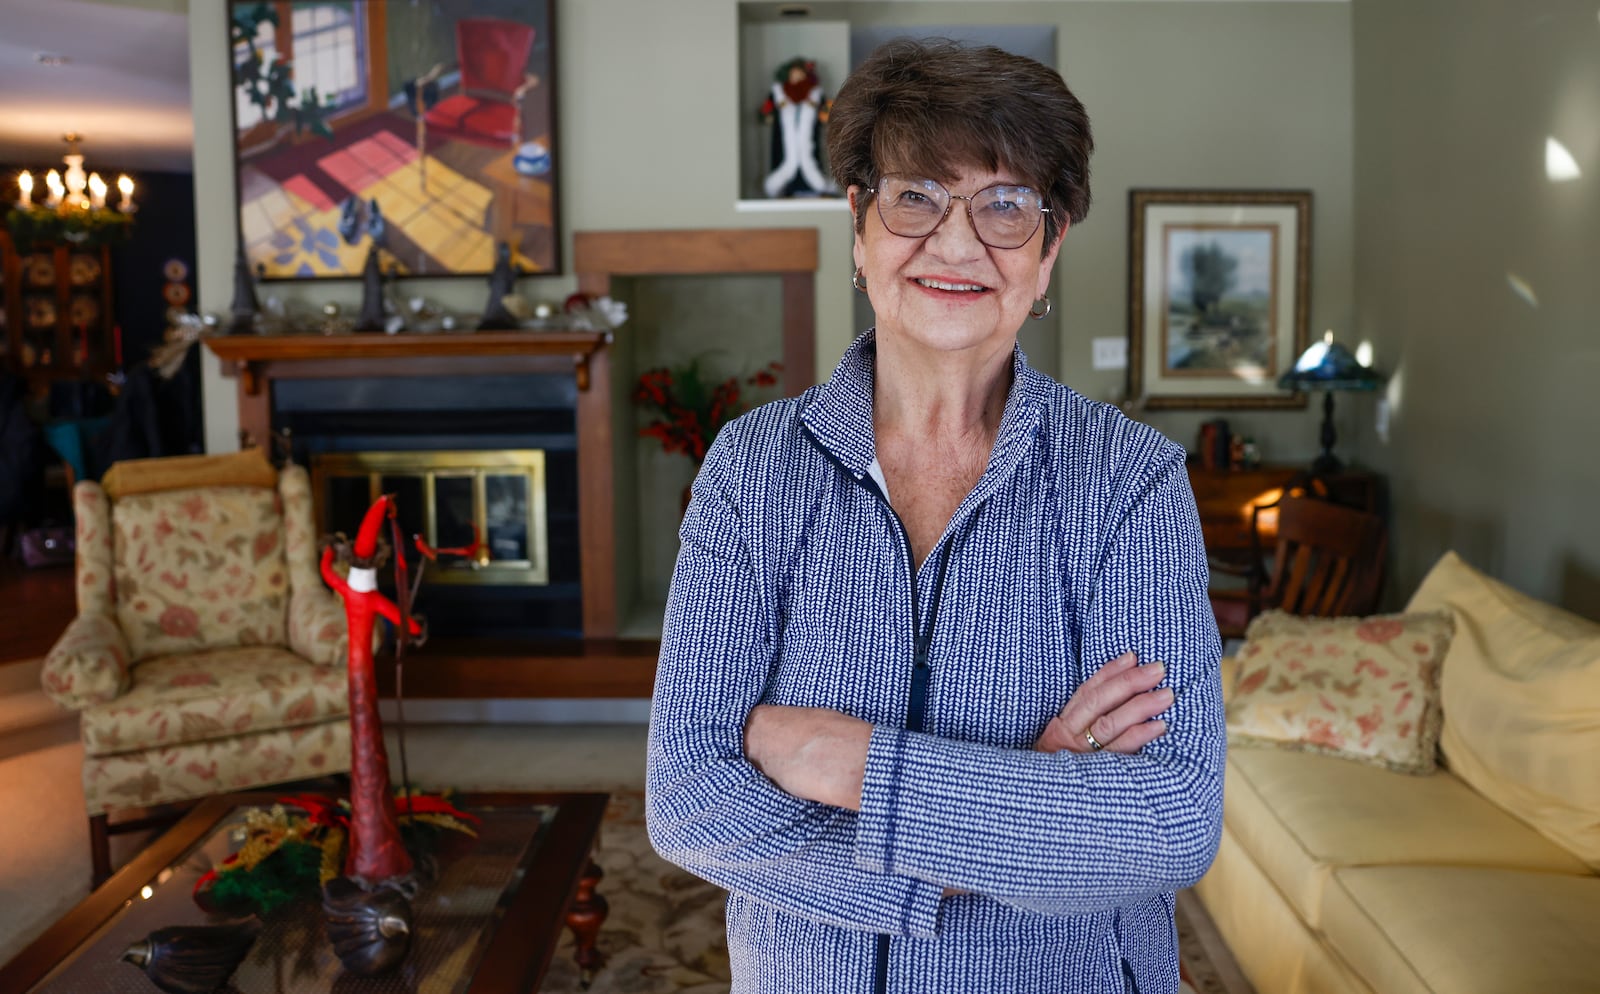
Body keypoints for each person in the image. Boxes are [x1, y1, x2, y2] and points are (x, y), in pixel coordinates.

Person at [647, 38, 1224, 994]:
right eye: (916, 195)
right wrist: (1010, 812)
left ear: (1050, 251)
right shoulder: (752, 471)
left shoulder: (1132, 483)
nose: (957, 245)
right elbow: (690, 802)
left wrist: (855, 763)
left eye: (1005, 206)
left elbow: (1164, 826)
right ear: (860, 226)